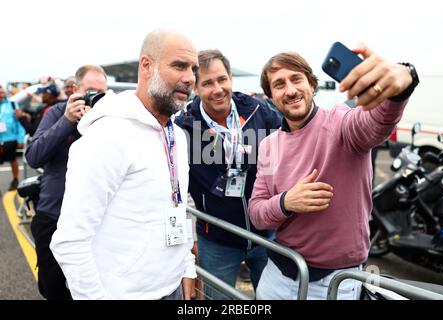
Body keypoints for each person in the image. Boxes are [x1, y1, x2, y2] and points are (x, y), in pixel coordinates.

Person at [248, 45, 419, 300]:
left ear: (312, 85)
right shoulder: (268, 145)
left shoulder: (340, 122)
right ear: (270, 96)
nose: (291, 90)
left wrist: (404, 80)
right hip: (277, 275)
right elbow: (257, 214)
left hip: (334, 283)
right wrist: (286, 202)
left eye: (296, 79)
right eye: (279, 84)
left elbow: (376, 123)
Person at [50, 30, 199, 300]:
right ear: (146, 66)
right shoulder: (108, 135)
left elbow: (176, 206)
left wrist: (186, 266)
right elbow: (69, 242)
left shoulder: (177, 135)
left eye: (193, 69)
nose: (189, 77)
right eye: (179, 65)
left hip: (173, 288)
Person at [175, 49, 281, 299]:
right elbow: (177, 190)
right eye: (208, 83)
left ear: (231, 78)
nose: (218, 89)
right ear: (196, 88)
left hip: (265, 235)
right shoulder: (184, 128)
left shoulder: (258, 110)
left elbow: (292, 139)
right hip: (217, 241)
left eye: (222, 79)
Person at [25, 65, 108, 300]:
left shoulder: (110, 119)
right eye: (91, 91)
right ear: (76, 90)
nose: (96, 98)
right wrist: (66, 121)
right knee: (52, 287)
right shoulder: (57, 113)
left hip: (96, 222)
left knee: (94, 288)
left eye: (102, 92)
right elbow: (33, 156)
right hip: (54, 215)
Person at [0, 85, 26, 190]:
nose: (1, 95)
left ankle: (15, 179)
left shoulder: (12, 105)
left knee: (12, 160)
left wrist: (20, 138)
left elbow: (19, 123)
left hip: (9, 139)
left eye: (2, 93)